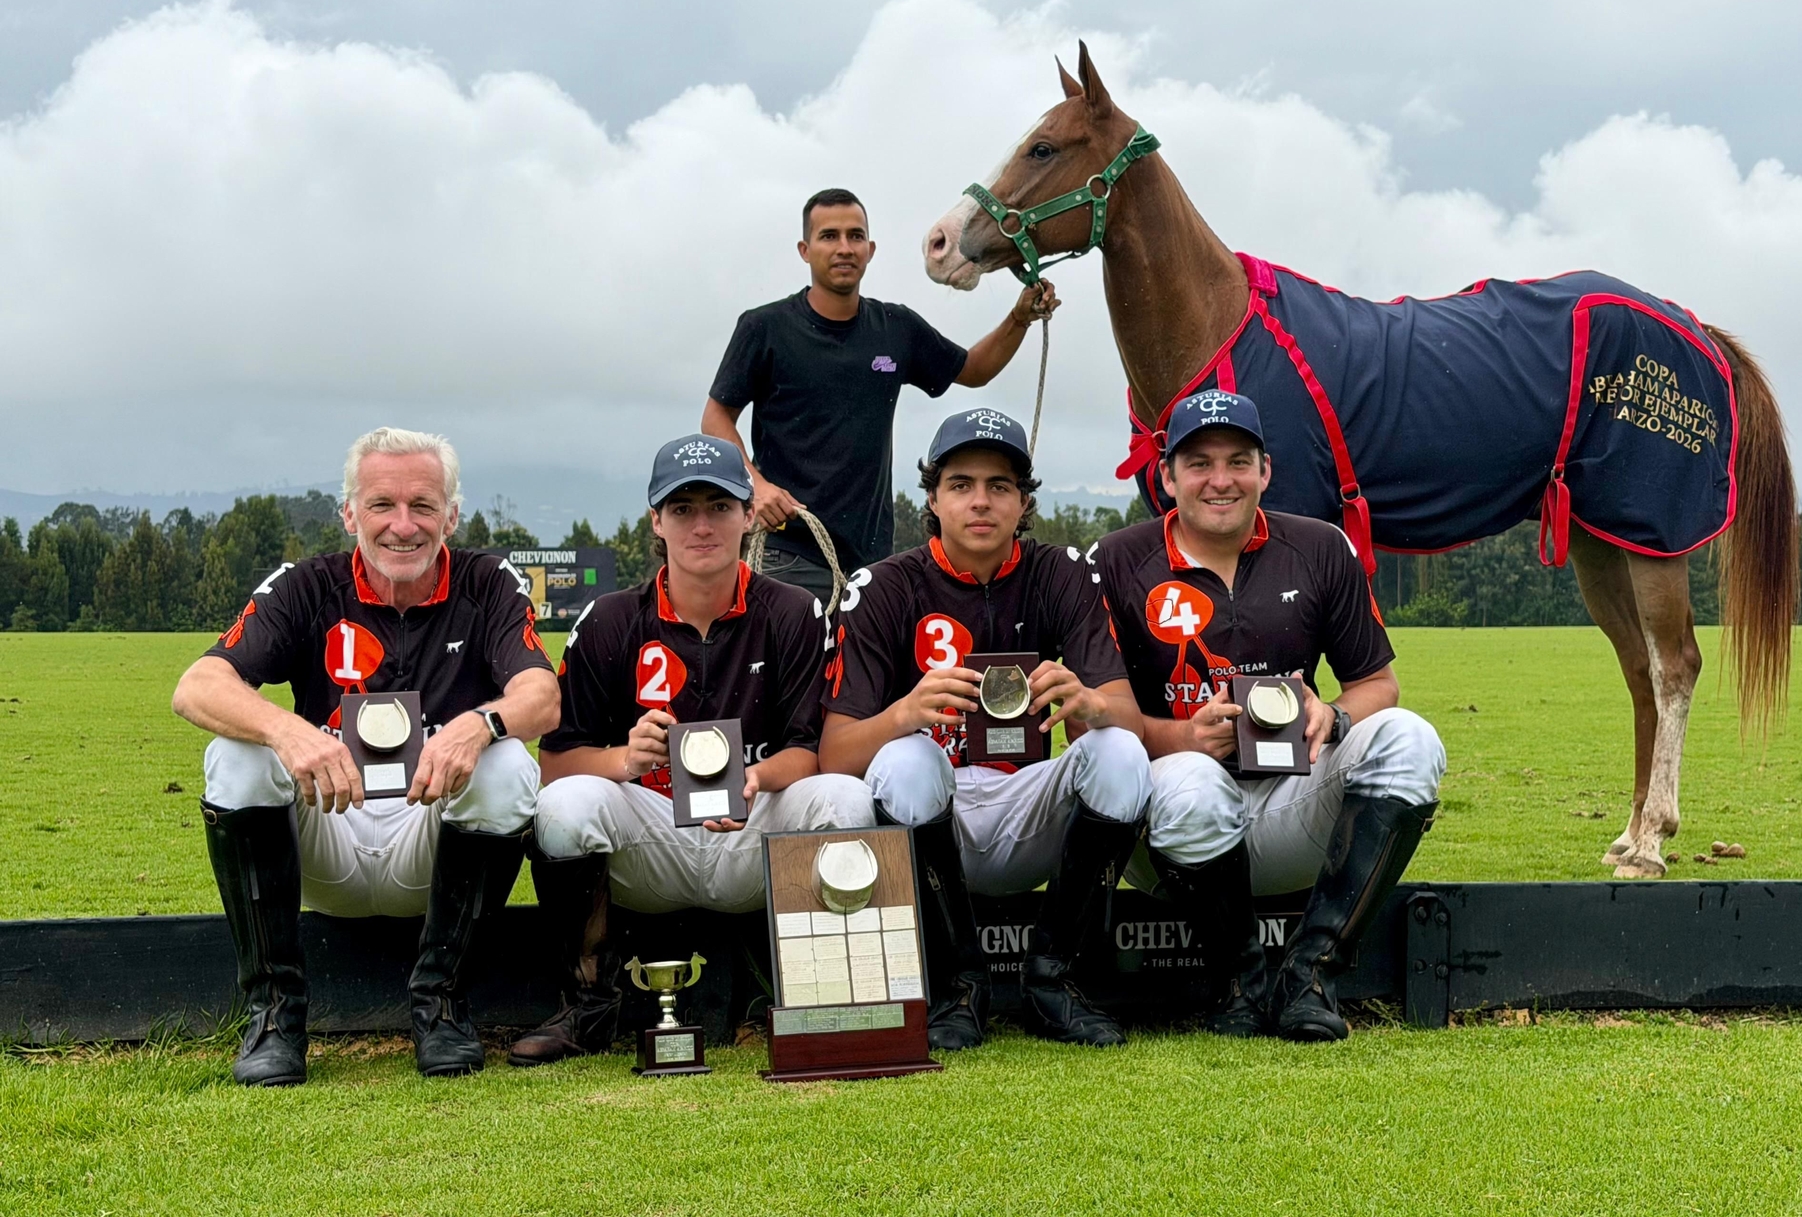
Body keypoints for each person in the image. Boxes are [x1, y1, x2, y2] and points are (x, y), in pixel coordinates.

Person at [172, 427, 560, 1085]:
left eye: (423, 505)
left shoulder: (487, 583)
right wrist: (288, 731)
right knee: (233, 755)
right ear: (350, 512)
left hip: (427, 840)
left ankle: (442, 1005)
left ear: (452, 515)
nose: (402, 526)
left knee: (509, 763)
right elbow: (196, 686)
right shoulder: (306, 585)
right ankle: (273, 1015)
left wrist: (478, 724)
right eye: (382, 505)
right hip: (330, 831)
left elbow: (541, 696)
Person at [507, 435, 874, 1066]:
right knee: (566, 807)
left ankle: (827, 998)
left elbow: (810, 753)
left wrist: (758, 776)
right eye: (682, 509)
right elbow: (556, 765)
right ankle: (589, 1005)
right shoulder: (609, 619)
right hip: (651, 837)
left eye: (719, 506)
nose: (701, 524)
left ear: (747, 515)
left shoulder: (793, 612)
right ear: (655, 519)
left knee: (844, 797)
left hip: (753, 832)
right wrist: (623, 759)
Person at [1095, 391, 1445, 1041]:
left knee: (1410, 740)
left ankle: (1310, 974)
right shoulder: (1115, 561)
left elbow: (1377, 684)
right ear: (1166, 475)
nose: (1220, 480)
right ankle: (1239, 982)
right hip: (1165, 831)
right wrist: (1181, 738)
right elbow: (1091, 724)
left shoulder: (1318, 547)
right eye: (1198, 463)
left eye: (1238, 461)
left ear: (1266, 471)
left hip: (1287, 806)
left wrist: (1331, 715)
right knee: (1191, 782)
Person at [818, 407, 1170, 1051]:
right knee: (904, 760)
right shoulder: (885, 587)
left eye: (1000, 486)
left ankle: (1054, 980)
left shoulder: (1061, 571)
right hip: (931, 816)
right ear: (932, 497)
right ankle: (958, 985)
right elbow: (833, 756)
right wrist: (904, 713)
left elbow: (1125, 715)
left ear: (1024, 502)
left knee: (1117, 750)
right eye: (961, 484)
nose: (980, 502)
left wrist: (1086, 701)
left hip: (1032, 806)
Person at [702, 187, 1060, 606]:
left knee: (871, 674)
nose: (844, 248)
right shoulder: (765, 328)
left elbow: (974, 370)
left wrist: (1019, 318)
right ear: (805, 249)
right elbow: (716, 417)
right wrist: (756, 486)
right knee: (797, 673)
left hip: (873, 562)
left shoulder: (896, 328)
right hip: (790, 554)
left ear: (871, 249)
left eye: (855, 236)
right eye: (829, 236)